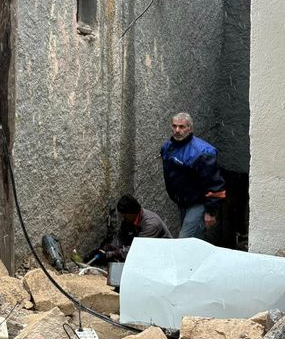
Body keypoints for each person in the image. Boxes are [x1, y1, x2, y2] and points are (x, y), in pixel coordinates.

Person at [161, 112, 226, 240]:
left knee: (184, 240)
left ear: (190, 129)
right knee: (193, 241)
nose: (177, 130)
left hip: (198, 203)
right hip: (182, 202)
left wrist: (210, 212)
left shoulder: (203, 153)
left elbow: (215, 184)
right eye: (174, 126)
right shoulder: (167, 147)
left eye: (182, 127)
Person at [88, 194, 172, 264]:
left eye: (124, 215)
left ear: (133, 213)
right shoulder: (128, 221)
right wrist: (106, 248)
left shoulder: (151, 224)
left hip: (162, 256)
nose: (122, 218)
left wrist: (110, 255)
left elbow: (138, 250)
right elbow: (120, 239)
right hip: (144, 252)